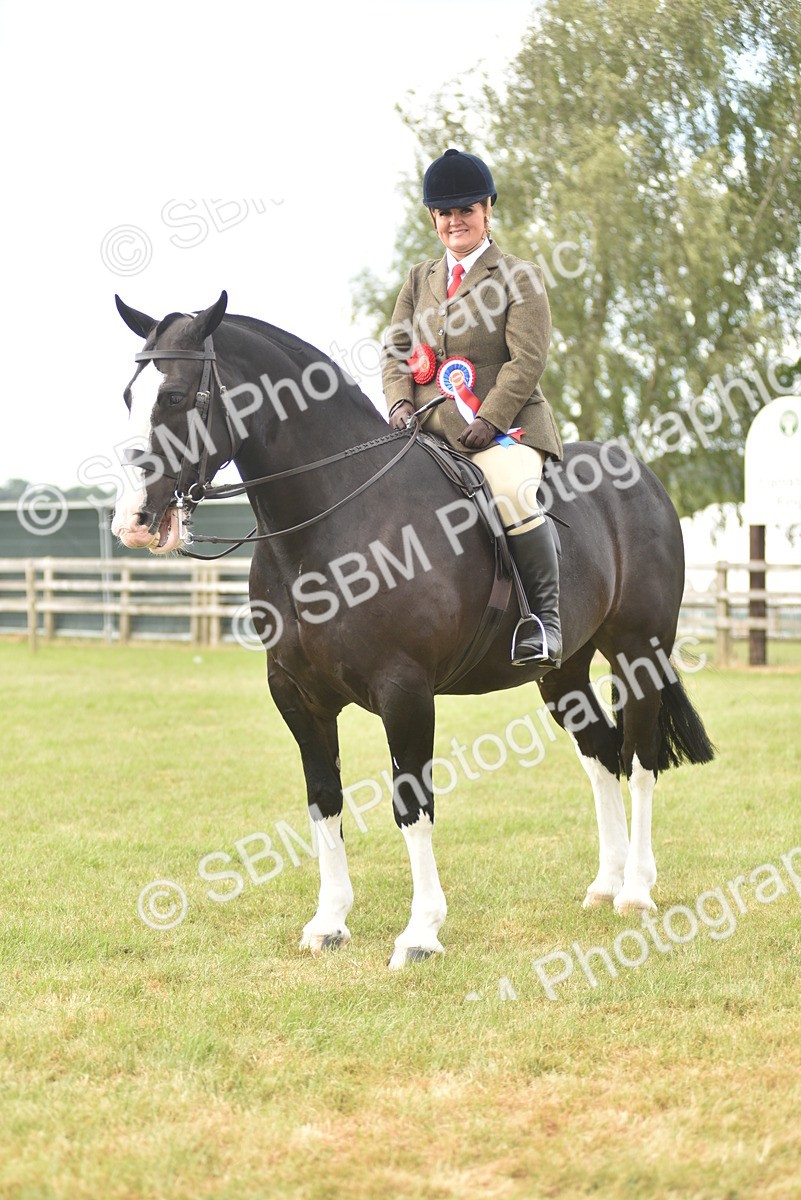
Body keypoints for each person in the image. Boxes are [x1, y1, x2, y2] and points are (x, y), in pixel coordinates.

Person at [381, 147, 564, 669]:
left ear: (487, 211)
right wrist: (398, 403)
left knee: (509, 491)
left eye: (466, 209)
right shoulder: (419, 280)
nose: (455, 220)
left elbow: (527, 360)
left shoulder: (517, 276)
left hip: (507, 430)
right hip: (425, 431)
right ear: (433, 218)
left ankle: (544, 624)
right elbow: (396, 352)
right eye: (445, 212)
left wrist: (490, 419)